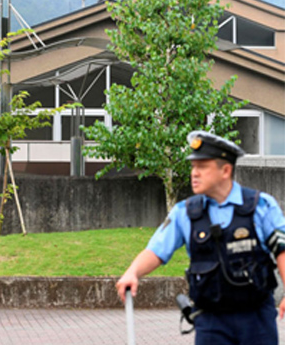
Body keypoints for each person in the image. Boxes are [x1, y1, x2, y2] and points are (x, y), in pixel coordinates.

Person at [116, 131, 285, 345]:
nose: (194, 173)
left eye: (202, 167)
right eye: (193, 167)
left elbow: (282, 249)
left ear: (225, 170)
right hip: (211, 321)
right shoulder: (184, 213)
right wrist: (133, 272)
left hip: (256, 318)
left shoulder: (260, 206)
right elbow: (157, 251)